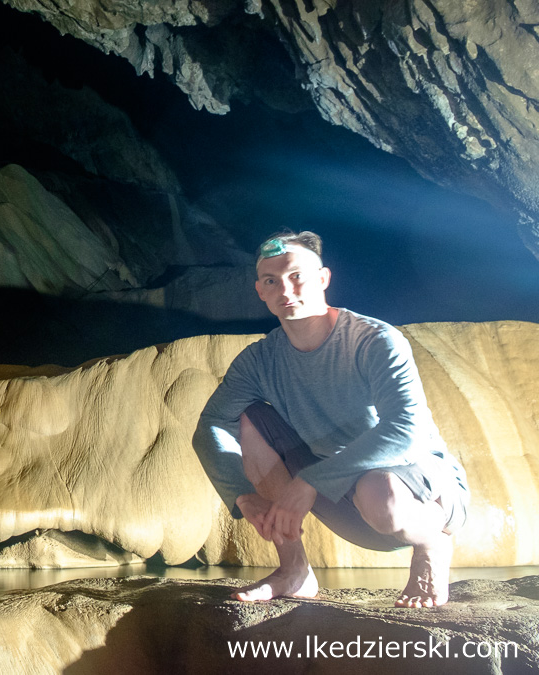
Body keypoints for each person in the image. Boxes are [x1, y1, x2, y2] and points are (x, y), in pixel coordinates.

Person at [193, 229, 469, 608]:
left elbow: (408, 429)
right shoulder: (260, 361)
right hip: (343, 500)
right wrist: (242, 496)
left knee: (379, 491)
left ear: (323, 279)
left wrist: (310, 481)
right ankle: (294, 570)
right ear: (261, 291)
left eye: (297, 276)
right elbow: (211, 423)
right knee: (249, 417)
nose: (286, 290)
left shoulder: (374, 340)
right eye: (272, 281)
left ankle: (431, 545)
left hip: (416, 495)